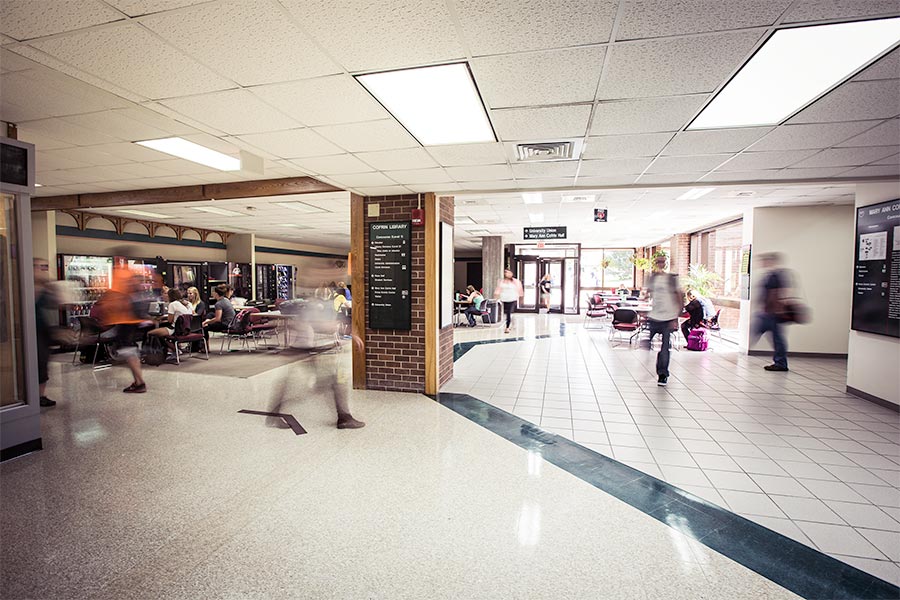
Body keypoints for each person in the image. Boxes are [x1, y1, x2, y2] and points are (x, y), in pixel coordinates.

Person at [95, 265, 147, 393]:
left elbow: (115, 300)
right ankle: (138, 381)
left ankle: (140, 382)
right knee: (130, 351)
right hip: (130, 321)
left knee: (129, 351)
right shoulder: (129, 275)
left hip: (124, 321)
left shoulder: (121, 275)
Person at [646, 254, 682, 386]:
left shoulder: (672, 279)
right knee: (646, 343)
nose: (660, 263)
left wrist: (676, 317)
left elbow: (679, 296)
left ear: (666, 263)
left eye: (662, 261)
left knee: (665, 347)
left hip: (668, 317)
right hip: (654, 315)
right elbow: (647, 293)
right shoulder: (652, 278)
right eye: (658, 261)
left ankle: (662, 373)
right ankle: (655, 365)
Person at [753, 253, 791, 372]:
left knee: (777, 338)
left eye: (765, 261)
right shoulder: (772, 275)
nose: (763, 263)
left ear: (771, 261)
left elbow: (776, 293)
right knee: (773, 336)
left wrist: (773, 309)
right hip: (769, 312)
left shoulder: (775, 276)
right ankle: (780, 361)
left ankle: (781, 363)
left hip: (772, 313)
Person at [33, 258, 57, 407]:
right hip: (31, 331)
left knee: (43, 362)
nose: (43, 270)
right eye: (40, 266)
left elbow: (55, 305)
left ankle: (40, 395)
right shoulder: (23, 286)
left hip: (43, 330)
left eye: (45, 266)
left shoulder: (46, 288)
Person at [147, 288, 193, 357]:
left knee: (150, 333)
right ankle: (173, 350)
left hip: (175, 329)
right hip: (185, 329)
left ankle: (173, 350)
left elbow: (170, 320)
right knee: (161, 333)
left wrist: (163, 318)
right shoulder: (185, 304)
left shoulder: (172, 304)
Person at [495, 269, 523, 334]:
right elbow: (498, 290)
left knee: (508, 313)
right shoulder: (502, 281)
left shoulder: (515, 281)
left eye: (509, 273)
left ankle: (507, 327)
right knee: (507, 313)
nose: (507, 274)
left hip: (512, 299)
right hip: (504, 299)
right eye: (506, 273)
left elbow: (520, 290)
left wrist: (521, 298)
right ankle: (511, 322)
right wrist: (496, 297)